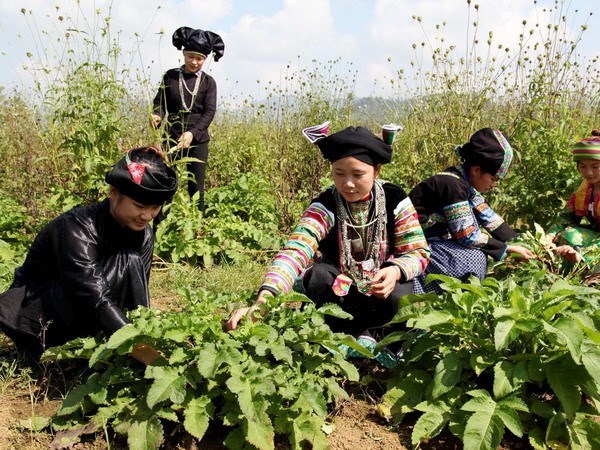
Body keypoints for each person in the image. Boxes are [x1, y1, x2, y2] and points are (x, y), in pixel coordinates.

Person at [227, 125, 430, 340]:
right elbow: (296, 250)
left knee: (401, 293)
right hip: (342, 292)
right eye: (339, 173)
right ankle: (348, 332)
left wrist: (395, 271)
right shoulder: (325, 204)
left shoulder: (395, 199)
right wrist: (263, 301)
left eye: (358, 174)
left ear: (377, 171)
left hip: (383, 289)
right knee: (318, 276)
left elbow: (419, 252)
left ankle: (381, 335)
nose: (348, 184)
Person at [0, 147, 178, 364]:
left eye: (155, 208)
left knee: (130, 261)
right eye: (139, 206)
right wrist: (144, 351)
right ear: (114, 193)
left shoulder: (143, 232)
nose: (147, 215)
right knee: (127, 260)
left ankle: (113, 348)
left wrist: (145, 333)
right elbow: (94, 296)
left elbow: (138, 293)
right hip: (39, 318)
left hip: (86, 310)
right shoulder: (77, 228)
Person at [409, 128, 535, 294]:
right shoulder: (451, 184)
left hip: (438, 239)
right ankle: (442, 298)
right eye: (493, 179)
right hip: (418, 244)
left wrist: (520, 242)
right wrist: (508, 249)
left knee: (479, 252)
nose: (493, 185)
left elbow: (488, 216)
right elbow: (467, 235)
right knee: (472, 260)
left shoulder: (463, 181)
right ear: (476, 170)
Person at [152, 26, 224, 214]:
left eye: (199, 58)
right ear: (184, 54)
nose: (194, 62)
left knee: (196, 187)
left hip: (197, 138)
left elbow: (209, 112)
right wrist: (158, 115)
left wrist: (192, 134)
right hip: (171, 136)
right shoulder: (171, 76)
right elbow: (160, 102)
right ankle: (160, 227)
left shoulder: (209, 82)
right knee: (166, 182)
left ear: (205, 59)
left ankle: (196, 228)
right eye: (191, 56)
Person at [547, 131, 600, 272]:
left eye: (595, 167)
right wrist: (550, 235)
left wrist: (584, 256)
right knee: (567, 235)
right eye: (583, 167)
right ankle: (565, 280)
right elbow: (566, 216)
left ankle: (590, 281)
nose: (588, 173)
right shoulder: (585, 188)